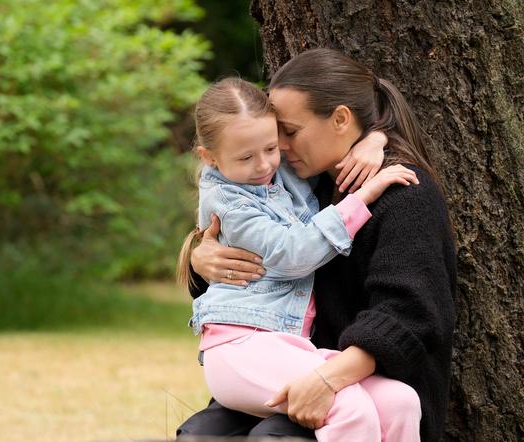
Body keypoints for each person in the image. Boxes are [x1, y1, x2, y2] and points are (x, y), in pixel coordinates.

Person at [177, 49, 456, 442]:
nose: (278, 151)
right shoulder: (300, 182)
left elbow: (410, 316)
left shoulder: (404, 194)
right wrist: (200, 257)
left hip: (355, 376)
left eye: (287, 133)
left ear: (341, 119)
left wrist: (326, 379)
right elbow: (257, 267)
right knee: (201, 435)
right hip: (288, 359)